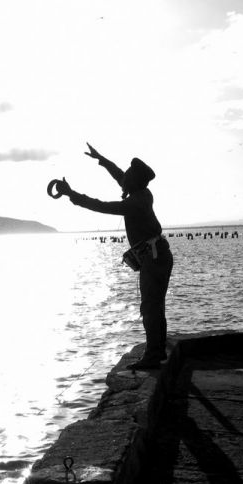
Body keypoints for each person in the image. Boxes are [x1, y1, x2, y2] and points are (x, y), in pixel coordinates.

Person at [54, 143, 173, 370]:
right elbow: (119, 174)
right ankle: (156, 351)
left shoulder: (135, 202)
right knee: (154, 306)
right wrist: (101, 159)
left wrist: (71, 194)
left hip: (155, 258)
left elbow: (101, 206)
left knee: (150, 308)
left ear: (134, 181)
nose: (123, 178)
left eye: (128, 176)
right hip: (157, 256)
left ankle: (154, 355)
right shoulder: (140, 192)